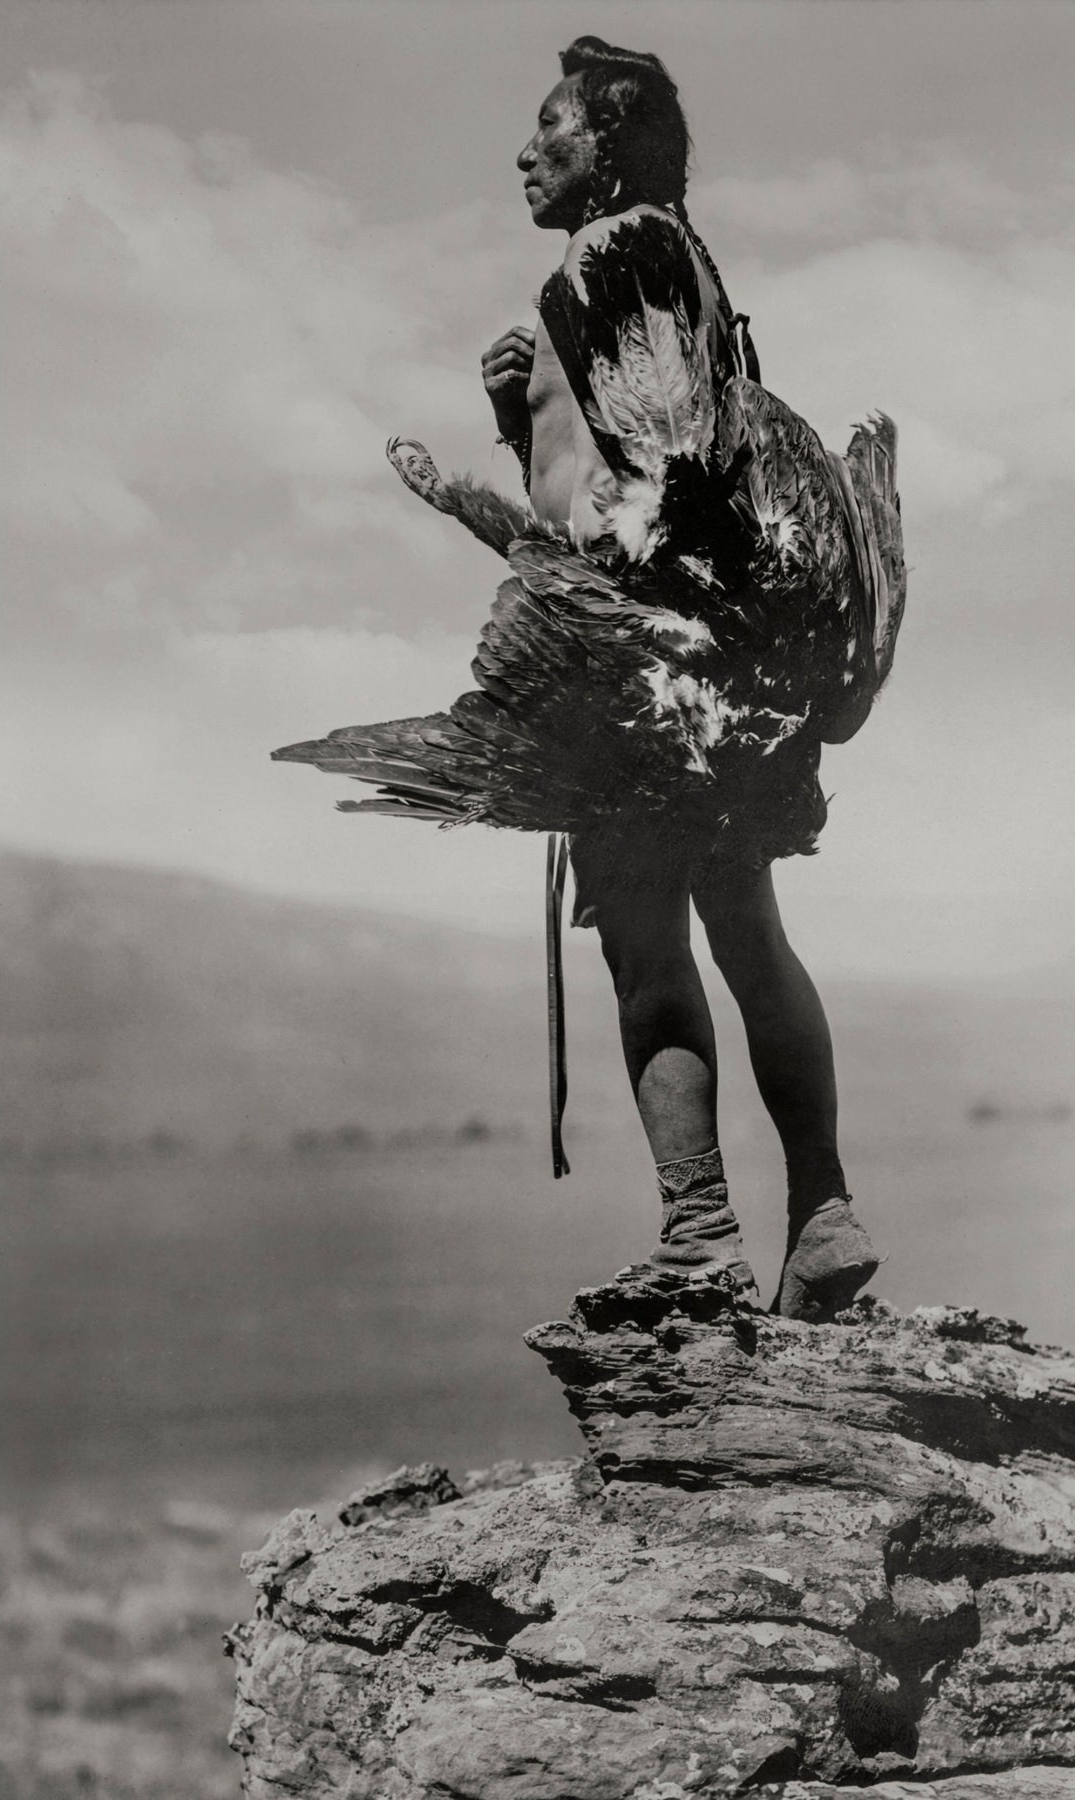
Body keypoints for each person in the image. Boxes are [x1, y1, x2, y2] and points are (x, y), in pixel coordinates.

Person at [275, 36, 904, 1320]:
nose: (525, 152)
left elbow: (652, 481)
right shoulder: (669, 259)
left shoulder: (615, 249)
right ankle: (824, 1215)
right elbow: (628, 466)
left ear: (609, 145)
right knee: (747, 931)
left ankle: (702, 1234)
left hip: (651, 668)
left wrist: (600, 637)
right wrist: (520, 418)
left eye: (550, 128)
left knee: (646, 948)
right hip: (722, 668)